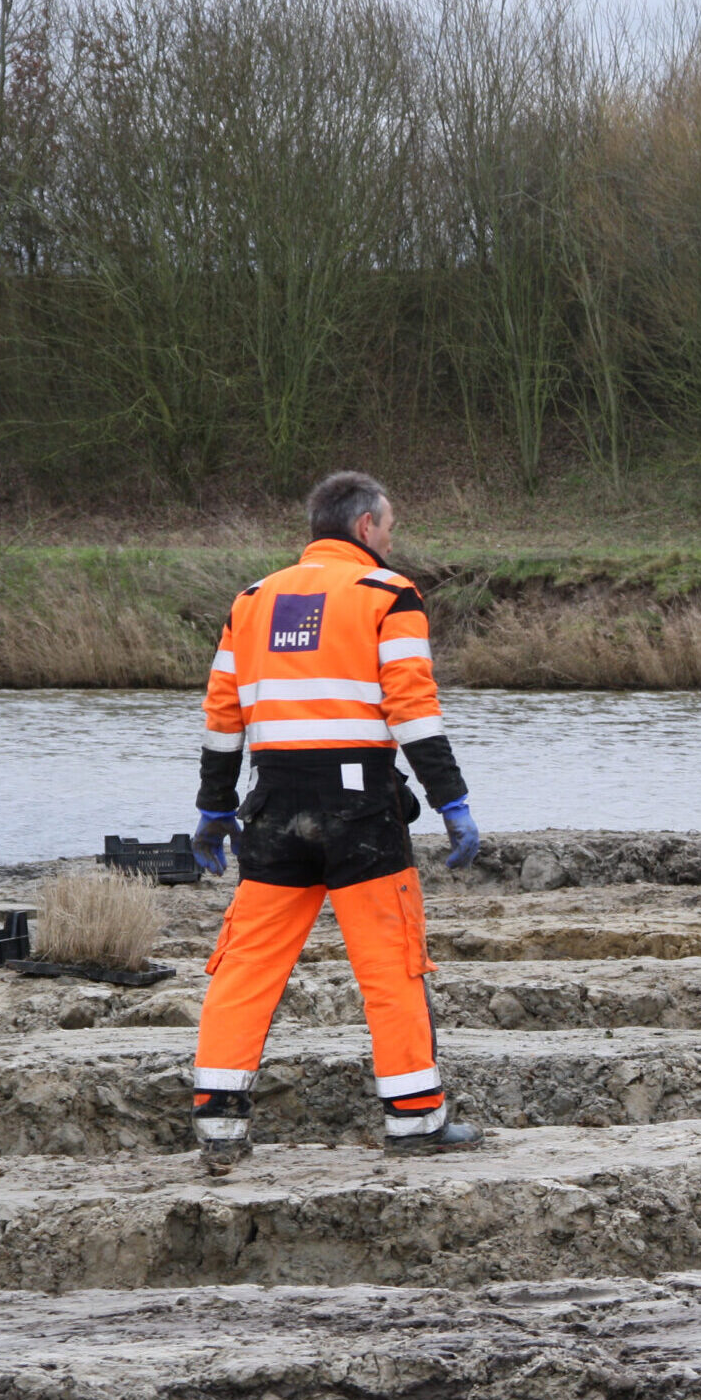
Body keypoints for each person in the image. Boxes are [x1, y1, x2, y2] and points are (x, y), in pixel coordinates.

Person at [185, 471, 485, 1171]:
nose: (390, 538)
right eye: (388, 527)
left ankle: (218, 1121)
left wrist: (213, 807)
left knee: (246, 966)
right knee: (390, 964)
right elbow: (414, 709)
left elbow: (223, 719)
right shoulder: (389, 596)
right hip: (361, 810)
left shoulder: (252, 602)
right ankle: (414, 1118)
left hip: (273, 805)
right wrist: (452, 800)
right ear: (363, 529)